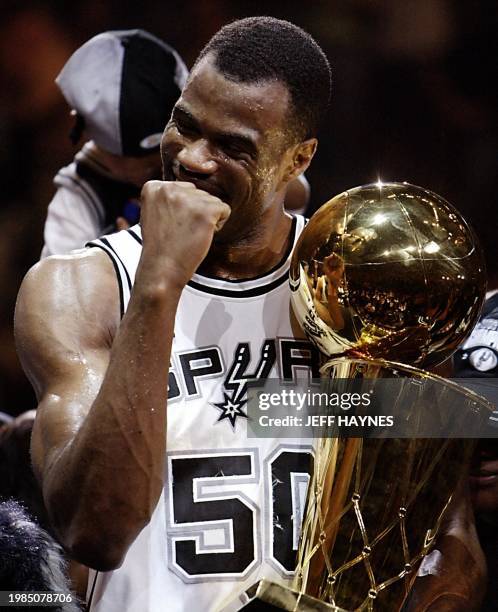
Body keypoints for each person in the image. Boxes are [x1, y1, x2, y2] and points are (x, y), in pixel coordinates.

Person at [16, 17, 329, 611]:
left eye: (233, 147)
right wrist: (158, 280)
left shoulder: (352, 283)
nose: (193, 160)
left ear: (298, 160)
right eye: (184, 126)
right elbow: (95, 530)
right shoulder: (79, 288)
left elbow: (438, 529)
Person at [41, 29, 310, 259]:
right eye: (143, 162)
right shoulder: (78, 201)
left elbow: (297, 195)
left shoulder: (202, 156)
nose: (181, 160)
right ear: (101, 146)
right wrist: (126, 262)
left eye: (185, 131)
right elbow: (60, 304)